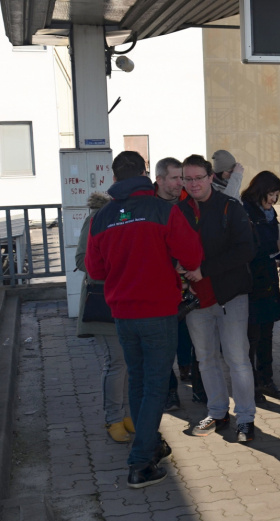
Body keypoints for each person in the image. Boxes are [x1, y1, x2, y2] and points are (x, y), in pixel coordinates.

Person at [85, 151, 203, 488]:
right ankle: (140, 463)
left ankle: (148, 447)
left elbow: (95, 270)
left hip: (123, 313)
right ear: (145, 172)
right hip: (158, 311)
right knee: (153, 386)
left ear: (115, 176)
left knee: (138, 383)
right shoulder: (162, 210)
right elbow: (192, 255)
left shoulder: (103, 216)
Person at [177, 154, 258, 443]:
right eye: (188, 178)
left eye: (199, 177)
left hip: (230, 296)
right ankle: (218, 412)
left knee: (237, 359)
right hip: (195, 299)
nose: (194, 183)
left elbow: (246, 250)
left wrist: (204, 270)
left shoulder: (229, 207)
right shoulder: (179, 210)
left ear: (212, 177)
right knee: (206, 359)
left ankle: (246, 418)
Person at [75, 191, 132, 443]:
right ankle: (113, 418)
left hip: (128, 299)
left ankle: (127, 414)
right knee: (117, 361)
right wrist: (115, 267)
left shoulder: (128, 217)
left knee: (128, 362)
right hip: (104, 300)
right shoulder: (97, 218)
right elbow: (81, 259)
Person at [154, 157, 196, 411]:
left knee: (191, 336)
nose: (181, 182)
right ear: (160, 180)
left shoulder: (189, 202)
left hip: (190, 284)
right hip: (162, 286)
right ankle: (171, 392)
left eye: (182, 177)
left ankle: (196, 383)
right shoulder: (147, 205)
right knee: (163, 345)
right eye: (175, 178)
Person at [241, 171, 280, 402]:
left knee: (267, 335)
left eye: (276, 195)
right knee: (252, 336)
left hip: (268, 278)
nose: (274, 199)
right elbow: (246, 246)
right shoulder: (246, 211)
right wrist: (274, 246)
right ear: (260, 190)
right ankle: (252, 385)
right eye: (271, 194)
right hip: (252, 281)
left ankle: (266, 378)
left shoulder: (268, 213)